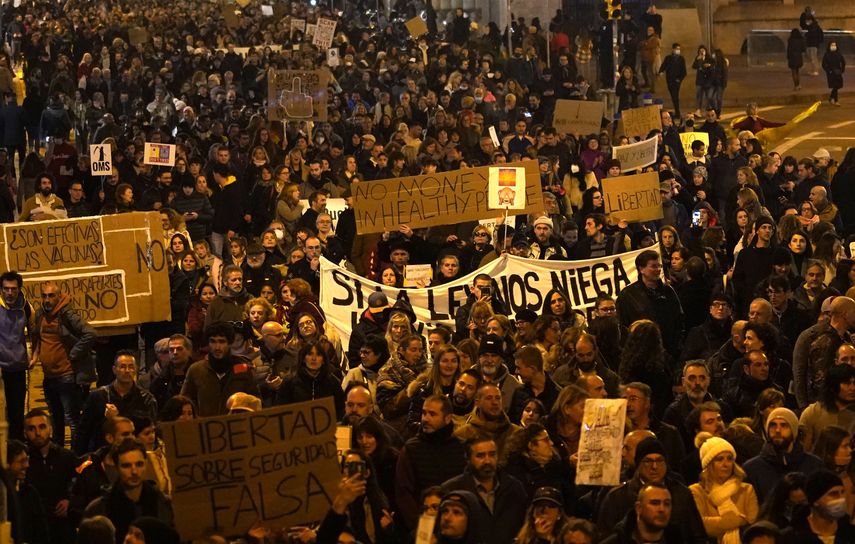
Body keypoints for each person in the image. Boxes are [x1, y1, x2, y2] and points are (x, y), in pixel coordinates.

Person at [598, 437, 707, 543]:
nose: (654, 466)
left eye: (659, 460)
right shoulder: (617, 497)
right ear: (638, 464)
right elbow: (606, 535)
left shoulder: (681, 493)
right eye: (647, 461)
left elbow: (697, 535)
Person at [30, 280, 96, 444]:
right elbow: (38, 337)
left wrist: (73, 353)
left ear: (59, 297)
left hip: (66, 376)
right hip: (49, 377)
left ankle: (75, 458)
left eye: (51, 296)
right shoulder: (40, 315)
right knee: (55, 421)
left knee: (72, 421)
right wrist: (34, 356)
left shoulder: (67, 314)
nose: (47, 299)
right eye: (44, 296)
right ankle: (58, 458)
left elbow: (91, 334)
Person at [82, 438, 174, 544]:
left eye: (139, 464)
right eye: (126, 466)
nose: (134, 471)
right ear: (116, 468)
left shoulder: (162, 503)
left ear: (146, 464)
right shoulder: (98, 509)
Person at [395, 394, 467, 529]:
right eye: (424, 413)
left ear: (448, 418)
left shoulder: (461, 449)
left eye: (432, 414)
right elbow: (403, 493)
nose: (425, 419)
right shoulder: (411, 449)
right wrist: (420, 526)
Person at [439, 437, 527, 544]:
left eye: (492, 454)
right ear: (468, 459)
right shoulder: (452, 489)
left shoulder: (514, 488)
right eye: (480, 456)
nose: (487, 461)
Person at [75, 351, 158, 455]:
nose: (127, 371)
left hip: (134, 454)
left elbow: (149, 431)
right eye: (123, 367)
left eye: (131, 367)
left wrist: (115, 418)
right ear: (114, 370)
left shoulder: (146, 399)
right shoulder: (98, 396)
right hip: (103, 454)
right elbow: (84, 432)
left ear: (136, 370)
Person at [744, 407, 824, 502]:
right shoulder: (752, 468)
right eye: (773, 425)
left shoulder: (814, 465)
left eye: (784, 425)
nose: (777, 430)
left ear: (794, 431)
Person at [180, 321, 260, 417]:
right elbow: (183, 403)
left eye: (222, 341)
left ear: (230, 343)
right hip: (205, 428)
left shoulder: (244, 370)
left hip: (235, 427)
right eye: (213, 341)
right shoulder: (196, 370)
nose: (217, 347)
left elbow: (256, 404)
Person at [24, 408, 79, 544]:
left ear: (51, 429)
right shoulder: (23, 460)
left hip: (62, 524)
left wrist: (69, 501)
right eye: (32, 429)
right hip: (33, 526)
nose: (38, 433)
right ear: (25, 433)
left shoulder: (67, 457)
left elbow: (80, 485)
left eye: (42, 427)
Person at [688, 436, 759, 543]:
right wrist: (739, 520)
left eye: (729, 459)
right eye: (719, 459)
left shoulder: (746, 489)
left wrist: (718, 523)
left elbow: (753, 524)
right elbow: (703, 526)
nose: (726, 464)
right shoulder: (696, 491)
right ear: (709, 464)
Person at [616, 250, 684, 359]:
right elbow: (623, 327)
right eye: (653, 266)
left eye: (659, 266)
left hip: (669, 354)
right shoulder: (628, 295)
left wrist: (677, 348)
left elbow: (679, 320)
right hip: (640, 354)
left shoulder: (668, 291)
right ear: (641, 269)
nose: (658, 270)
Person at [0, 271, 34, 440]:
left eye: (13, 289)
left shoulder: (26, 307)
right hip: (1, 369)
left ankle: (16, 451)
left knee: (17, 414)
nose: (9, 293)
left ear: (19, 289)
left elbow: (35, 332)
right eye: (6, 289)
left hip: (18, 368)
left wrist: (35, 355)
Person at [781, 469, 855, 543]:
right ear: (815, 501)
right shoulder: (792, 537)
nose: (841, 498)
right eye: (833, 494)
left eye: (842, 492)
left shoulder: (850, 534)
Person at [6, 439, 50, 544]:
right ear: (6, 464)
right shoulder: (3, 496)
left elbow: (42, 531)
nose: (27, 465)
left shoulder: (30, 493)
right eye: (21, 461)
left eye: (27, 460)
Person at [822, 41, 846, 106]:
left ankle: (831, 97)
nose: (833, 46)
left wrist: (842, 70)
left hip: (838, 72)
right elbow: (823, 64)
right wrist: (828, 70)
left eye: (834, 45)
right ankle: (836, 100)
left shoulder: (838, 54)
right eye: (832, 45)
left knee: (838, 86)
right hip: (831, 73)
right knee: (835, 86)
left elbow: (843, 62)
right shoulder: (827, 54)